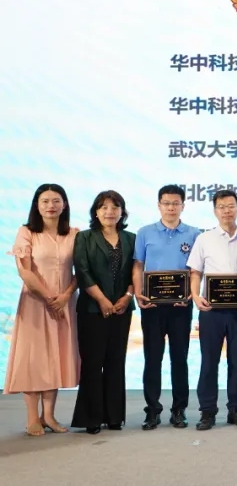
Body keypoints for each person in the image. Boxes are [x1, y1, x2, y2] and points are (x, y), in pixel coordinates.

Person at [4, 184, 80, 436]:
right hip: (35, 303)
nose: (51, 206)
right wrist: (49, 298)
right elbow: (24, 271)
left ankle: (48, 415)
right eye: (45, 201)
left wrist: (65, 296)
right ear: (37, 205)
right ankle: (32, 417)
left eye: (56, 200)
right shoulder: (26, 232)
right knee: (34, 358)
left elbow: (82, 271)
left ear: (64, 204)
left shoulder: (75, 234)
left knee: (55, 357)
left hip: (65, 303)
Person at [132, 184, 200, 430]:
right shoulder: (145, 232)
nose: (171, 207)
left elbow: (196, 270)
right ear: (159, 205)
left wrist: (192, 294)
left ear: (183, 205)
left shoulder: (194, 234)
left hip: (181, 305)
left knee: (179, 358)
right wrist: (138, 293)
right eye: (166, 203)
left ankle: (179, 410)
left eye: (175, 203)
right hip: (152, 306)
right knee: (152, 358)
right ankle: (152, 410)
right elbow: (138, 266)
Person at [70, 190, 136, 434]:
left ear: (122, 212)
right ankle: (91, 418)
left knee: (116, 361)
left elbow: (135, 272)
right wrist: (101, 300)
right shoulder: (84, 237)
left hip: (122, 309)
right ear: (96, 212)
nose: (110, 212)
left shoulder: (131, 238)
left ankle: (114, 416)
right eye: (104, 207)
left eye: (115, 207)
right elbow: (82, 271)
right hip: (91, 309)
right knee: (93, 362)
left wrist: (127, 296)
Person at [188, 189, 237, 430]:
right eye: (222, 207)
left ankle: (236, 409)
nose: (227, 211)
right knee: (209, 362)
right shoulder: (204, 238)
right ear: (215, 211)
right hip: (211, 310)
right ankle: (207, 411)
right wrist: (196, 296)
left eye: (231, 206)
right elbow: (196, 272)